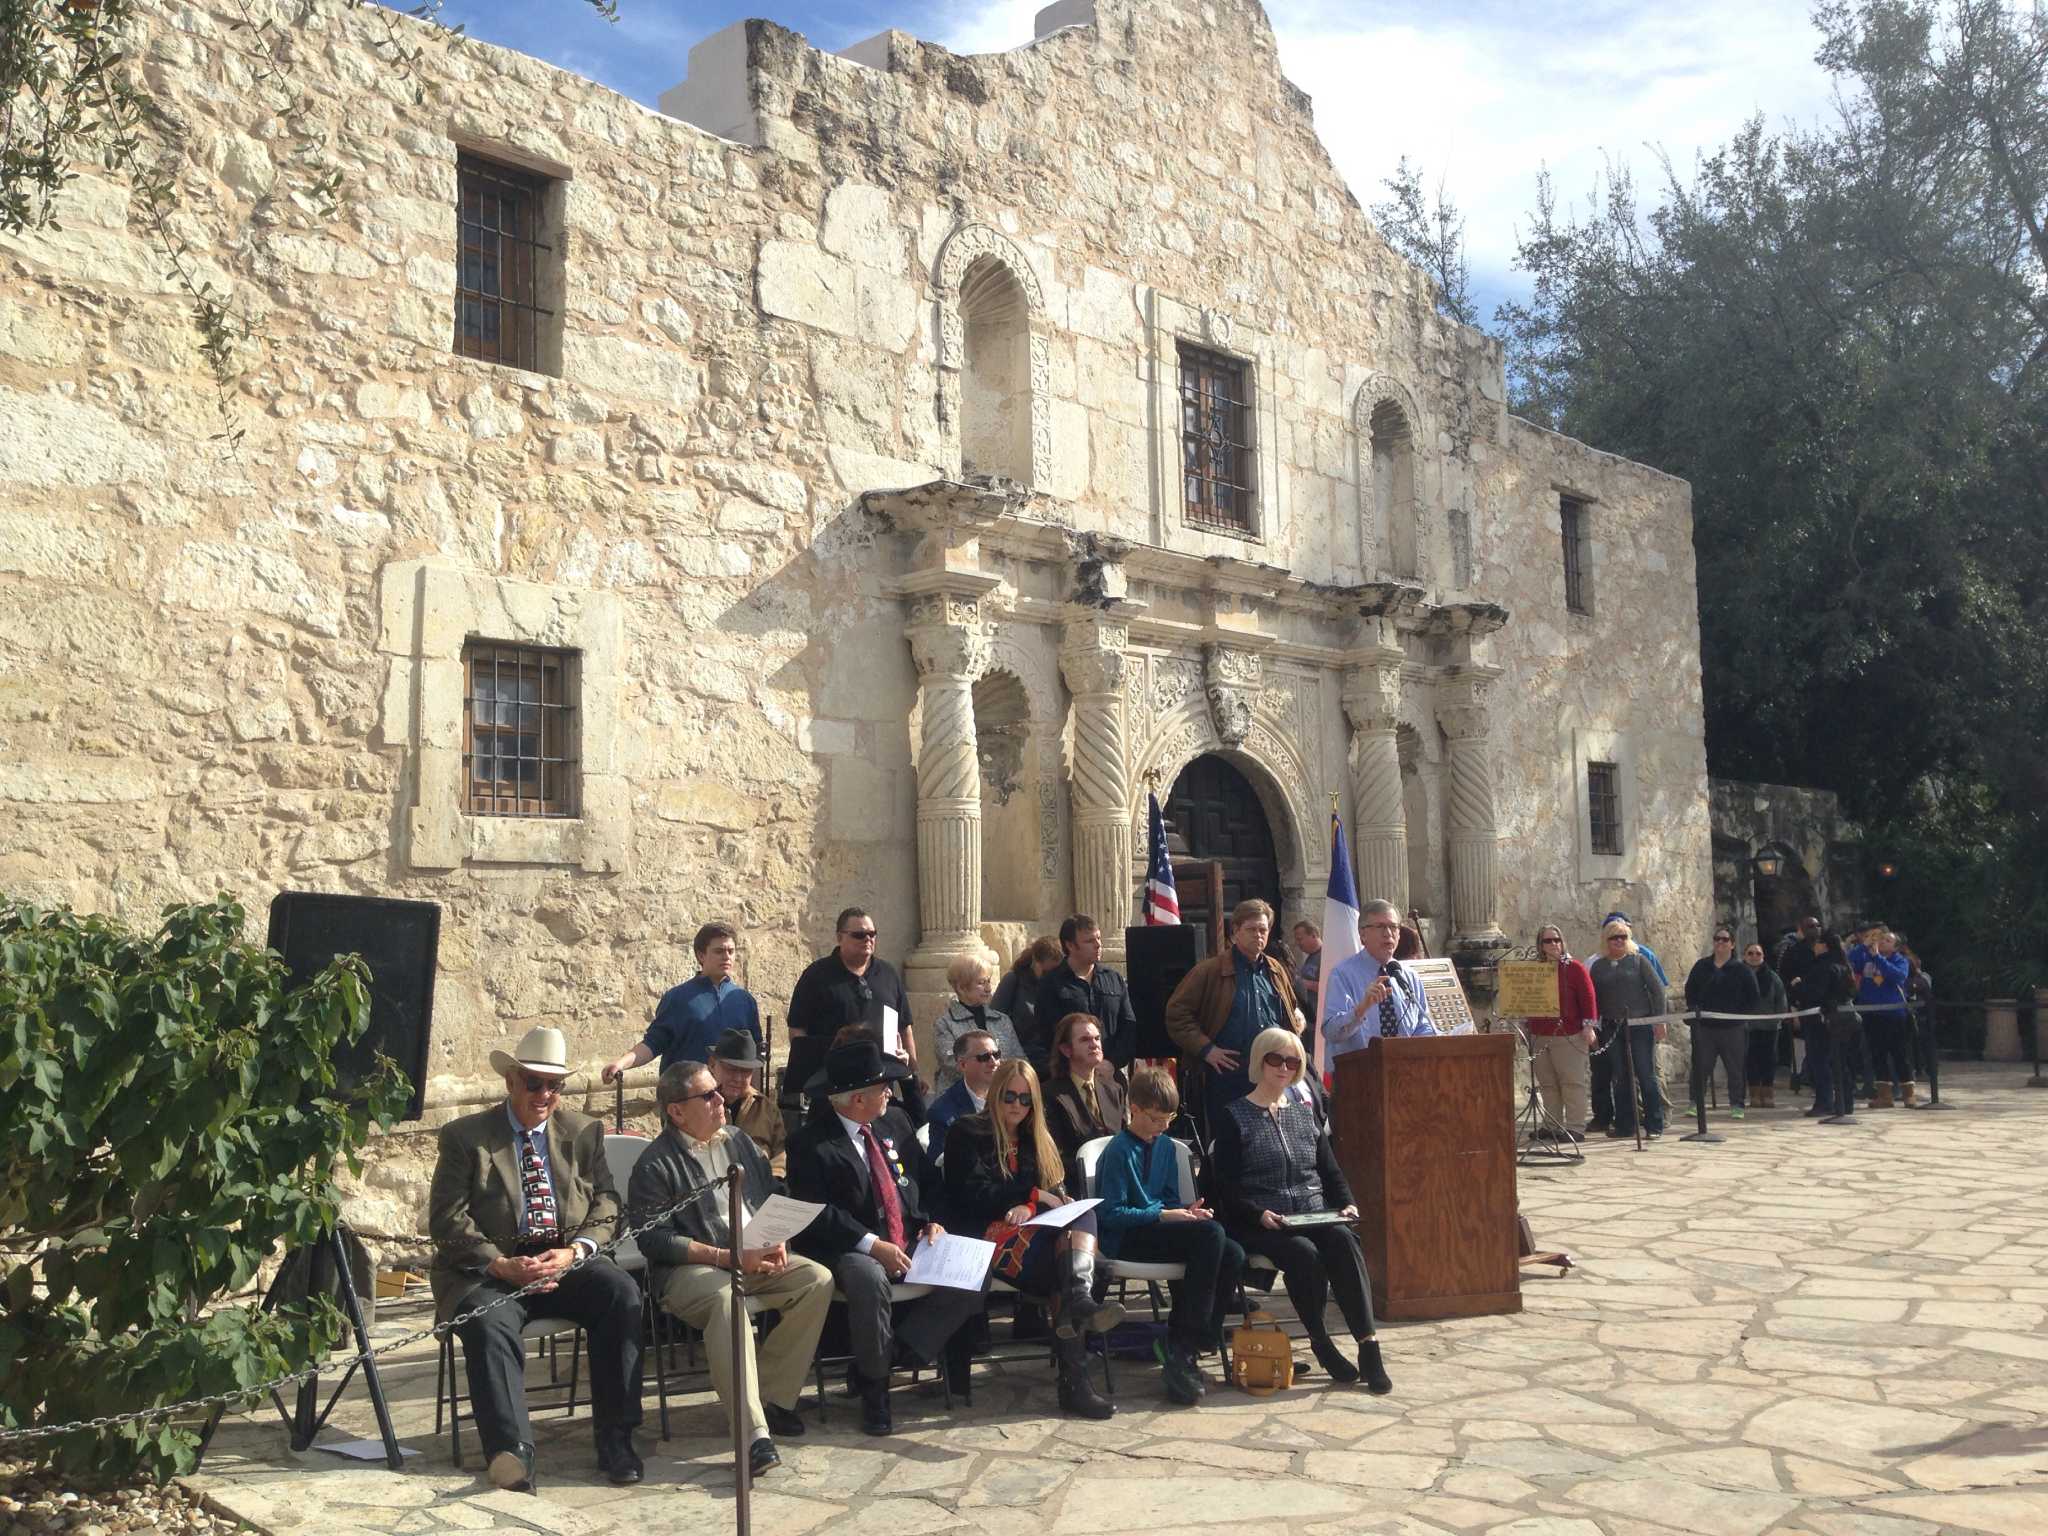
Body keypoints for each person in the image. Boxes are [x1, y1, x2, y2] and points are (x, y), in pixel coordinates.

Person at [428, 1027, 644, 1492]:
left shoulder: (582, 1130)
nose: (544, 1094)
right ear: (510, 1081)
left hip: (562, 1258)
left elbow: (607, 1201)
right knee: (489, 1323)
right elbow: (447, 1220)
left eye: (554, 1085)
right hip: (491, 1268)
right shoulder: (466, 1137)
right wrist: (499, 1263)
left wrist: (575, 1251)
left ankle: (616, 1439)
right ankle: (513, 1452)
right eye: (533, 1083)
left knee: (622, 1294)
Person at [628, 1061, 832, 1479]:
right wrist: (728, 1258)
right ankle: (753, 1433)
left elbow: (766, 1194)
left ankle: (771, 1397)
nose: (722, 1098)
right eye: (708, 1095)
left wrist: (777, 1238)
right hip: (694, 1269)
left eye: (717, 1090)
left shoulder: (738, 1141)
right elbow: (654, 1240)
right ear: (676, 1111)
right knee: (727, 1300)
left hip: (752, 1254)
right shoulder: (654, 1163)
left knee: (817, 1280)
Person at [785, 1038, 981, 1435]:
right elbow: (820, 1214)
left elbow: (928, 1181)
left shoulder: (896, 1122)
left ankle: (895, 1354)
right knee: (868, 1277)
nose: (890, 1093)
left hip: (908, 1237)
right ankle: (876, 1390)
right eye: (881, 1088)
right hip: (848, 1247)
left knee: (975, 1267)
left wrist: (931, 1221)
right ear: (856, 1100)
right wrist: (872, 1245)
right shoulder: (810, 1143)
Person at [1208, 1027, 1392, 1394]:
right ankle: (1321, 1340)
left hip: (1310, 1211)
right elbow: (1223, 1186)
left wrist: (1347, 1202)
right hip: (1263, 1220)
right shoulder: (1233, 1116)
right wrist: (1256, 1213)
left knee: (1343, 1239)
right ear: (1259, 1062)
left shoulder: (1303, 1115)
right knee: (1303, 1254)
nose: (1284, 1068)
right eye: (1275, 1059)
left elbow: (1329, 1169)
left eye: (1292, 1062)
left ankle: (1368, 1346)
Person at [942, 1059, 1122, 1420]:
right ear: (995, 1094)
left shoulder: (1033, 1137)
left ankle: (1077, 1306)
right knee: (1087, 1268)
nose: (1017, 1106)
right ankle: (1074, 1380)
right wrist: (1034, 1197)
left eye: (1026, 1100)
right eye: (1009, 1096)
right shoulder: (967, 1131)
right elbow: (973, 1196)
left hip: (1031, 1236)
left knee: (1081, 1217)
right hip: (984, 1236)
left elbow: (1052, 1190)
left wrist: (1050, 1200)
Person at [1095, 1066, 1243, 1405]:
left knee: (1232, 1252)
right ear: (1134, 1109)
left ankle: (1187, 1339)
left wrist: (1187, 1212)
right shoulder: (1119, 1151)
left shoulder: (1164, 1147)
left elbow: (1168, 1197)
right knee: (1211, 1237)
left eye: (1168, 1119)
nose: (1161, 1127)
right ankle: (1186, 1346)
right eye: (1154, 1119)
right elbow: (1111, 1214)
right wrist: (1163, 1214)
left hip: (1158, 1227)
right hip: (1128, 1237)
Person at [1163, 898, 1305, 1128]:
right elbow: (1176, 1014)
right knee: (1229, 1145)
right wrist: (1206, 1049)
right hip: (1228, 1076)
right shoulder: (1210, 971)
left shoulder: (1275, 970)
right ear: (1235, 932)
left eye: (1263, 930)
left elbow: (1291, 1010)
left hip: (1272, 1073)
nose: (1258, 935)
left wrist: (1296, 1033)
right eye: (1251, 929)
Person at [602, 922, 761, 1085]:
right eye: (719, 951)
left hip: (731, 1098)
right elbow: (653, 1043)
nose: (726, 956)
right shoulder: (677, 998)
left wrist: (755, 1100)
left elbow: (753, 1056)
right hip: (687, 1098)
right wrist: (620, 1064)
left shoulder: (744, 1000)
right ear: (701, 955)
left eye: (731, 951)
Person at [787, 908, 919, 1075]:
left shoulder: (888, 974)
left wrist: (913, 1072)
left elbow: (904, 1027)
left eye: (872, 934)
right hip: (833, 1080)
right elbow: (797, 1028)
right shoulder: (816, 976)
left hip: (881, 1080)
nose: (868, 939)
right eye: (859, 935)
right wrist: (809, 1071)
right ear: (839, 938)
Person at [1320, 900, 1437, 1071]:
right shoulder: (1342, 974)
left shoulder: (1409, 975)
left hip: (1406, 1073)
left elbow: (1422, 1023)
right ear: (1363, 934)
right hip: (1358, 1076)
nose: (1388, 933)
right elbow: (1331, 1032)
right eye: (1380, 926)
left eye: (1393, 927)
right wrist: (1361, 1009)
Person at [1588, 920, 1669, 1139]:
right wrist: (1591, 1026)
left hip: (1639, 1026)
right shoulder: (1598, 966)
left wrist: (1660, 1021)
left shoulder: (1638, 961)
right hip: (1612, 1028)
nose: (1619, 941)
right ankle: (1625, 1125)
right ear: (1606, 940)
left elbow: (1658, 990)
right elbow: (1592, 998)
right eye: (1614, 937)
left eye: (1623, 936)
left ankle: (1654, 1125)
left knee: (1646, 1074)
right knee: (1620, 1076)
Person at [1522, 924, 1597, 1141]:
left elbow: (1588, 998)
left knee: (1572, 1083)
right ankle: (1552, 1124)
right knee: (1548, 1084)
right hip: (1540, 1033)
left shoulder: (1574, 968)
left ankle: (1575, 1127)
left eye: (1557, 940)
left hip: (1569, 1034)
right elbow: (1525, 997)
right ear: (1540, 945)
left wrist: (1589, 1026)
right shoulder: (1535, 969)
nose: (1554, 944)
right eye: (1548, 941)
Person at [1036, 915, 1139, 1071]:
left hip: (1111, 1075)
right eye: (1089, 941)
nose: (1098, 945)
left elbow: (1129, 1027)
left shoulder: (1114, 979)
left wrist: (1111, 1063)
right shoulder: (1051, 984)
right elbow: (1048, 1034)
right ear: (1070, 945)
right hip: (1069, 1077)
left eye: (1098, 938)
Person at [1684, 927, 1760, 1118]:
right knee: (1700, 1067)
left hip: (1733, 1028)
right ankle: (1696, 1103)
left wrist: (1739, 1015)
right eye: (1717, 939)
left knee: (1736, 1068)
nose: (1720, 943)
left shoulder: (1742, 970)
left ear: (1732, 944)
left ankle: (1737, 1105)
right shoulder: (1701, 966)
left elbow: (1753, 997)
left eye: (1725, 940)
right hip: (1705, 1028)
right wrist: (1695, 1010)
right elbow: (1690, 991)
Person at [1044, 1012, 1127, 1166]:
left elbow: (1125, 1142)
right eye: (1085, 1040)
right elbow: (1053, 1154)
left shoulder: (1115, 1089)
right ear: (1066, 1049)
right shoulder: (1049, 1095)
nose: (1094, 1044)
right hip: (1076, 1182)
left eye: (1097, 1038)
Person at [1790, 930, 1857, 1121]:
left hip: (1821, 1021)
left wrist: (1798, 986)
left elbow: (1815, 994)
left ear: (1824, 945)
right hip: (1842, 1019)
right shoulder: (1844, 967)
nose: (1815, 946)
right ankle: (1845, 1102)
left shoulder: (1822, 966)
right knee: (1840, 1062)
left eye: (1818, 943)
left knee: (1820, 1062)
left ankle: (1825, 1102)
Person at [932, 954, 1023, 1094]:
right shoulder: (945, 1024)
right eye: (981, 983)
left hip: (1002, 1096)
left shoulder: (1002, 1020)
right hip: (960, 1100)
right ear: (961, 987)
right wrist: (994, 1071)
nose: (988, 988)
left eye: (989, 981)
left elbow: (1019, 1058)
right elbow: (951, 1064)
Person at [923, 1028, 1002, 1182]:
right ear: (962, 1065)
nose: (993, 1062)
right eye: (984, 1057)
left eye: (996, 1054)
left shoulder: (1013, 1095)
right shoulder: (942, 1112)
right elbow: (939, 1167)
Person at [708, 1028, 786, 1176]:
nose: (737, 1078)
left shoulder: (767, 1109)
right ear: (713, 1065)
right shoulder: (698, 1105)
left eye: (745, 1072)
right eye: (731, 1069)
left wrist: (773, 1182)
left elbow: (781, 1156)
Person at [1849, 927, 1913, 1107]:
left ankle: (1908, 1093)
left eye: (1887, 941)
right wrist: (1864, 946)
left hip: (1894, 1015)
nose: (1882, 942)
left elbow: (1897, 976)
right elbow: (1850, 960)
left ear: (1895, 947)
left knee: (1899, 1054)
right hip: (1872, 1014)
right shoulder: (1867, 959)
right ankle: (1884, 1096)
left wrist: (1878, 958)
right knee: (1877, 1055)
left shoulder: (1900, 961)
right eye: (1881, 939)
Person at [993, 936, 1062, 1066]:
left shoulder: (1061, 985)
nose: (1052, 977)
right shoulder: (1014, 981)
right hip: (1021, 1061)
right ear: (1035, 962)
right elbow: (994, 1022)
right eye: (1047, 972)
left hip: (1054, 1063)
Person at [1742, 940, 1791, 1107]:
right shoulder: (1738, 975)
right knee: (1751, 1060)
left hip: (1769, 1027)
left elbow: (1781, 998)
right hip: (1747, 1027)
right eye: (1750, 953)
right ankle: (1754, 1094)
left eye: (1758, 953)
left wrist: (1777, 1018)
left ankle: (1768, 1093)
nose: (1754, 956)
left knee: (1769, 1060)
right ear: (1744, 956)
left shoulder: (1772, 977)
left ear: (1763, 957)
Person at [1775, 915, 1821, 1092]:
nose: (1815, 929)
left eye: (1817, 925)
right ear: (1801, 929)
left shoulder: (1825, 949)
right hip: (1803, 1006)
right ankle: (1805, 1077)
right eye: (1810, 926)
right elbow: (1783, 980)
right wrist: (1791, 1007)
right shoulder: (1793, 952)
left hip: (1825, 1005)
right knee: (1806, 1044)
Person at [1603, 909, 1670, 986]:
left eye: (1622, 933)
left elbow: (1659, 986)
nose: (1619, 939)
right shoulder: (1595, 962)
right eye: (1613, 933)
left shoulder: (1645, 955)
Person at [1290, 919, 1324, 1063]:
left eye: (1300, 938)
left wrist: (1305, 984)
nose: (1298, 943)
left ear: (1314, 935)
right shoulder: (1311, 958)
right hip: (1309, 1020)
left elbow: (1330, 986)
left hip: (1319, 1020)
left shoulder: (1325, 956)